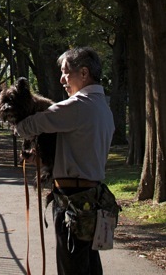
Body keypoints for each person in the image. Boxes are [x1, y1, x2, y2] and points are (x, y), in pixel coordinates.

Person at [14, 47, 115, 275]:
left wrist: (16, 118)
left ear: (84, 73)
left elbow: (30, 125)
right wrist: (39, 159)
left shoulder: (77, 106)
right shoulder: (103, 108)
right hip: (93, 198)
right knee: (89, 264)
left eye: (65, 72)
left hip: (72, 201)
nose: (62, 79)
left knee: (71, 267)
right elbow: (79, 150)